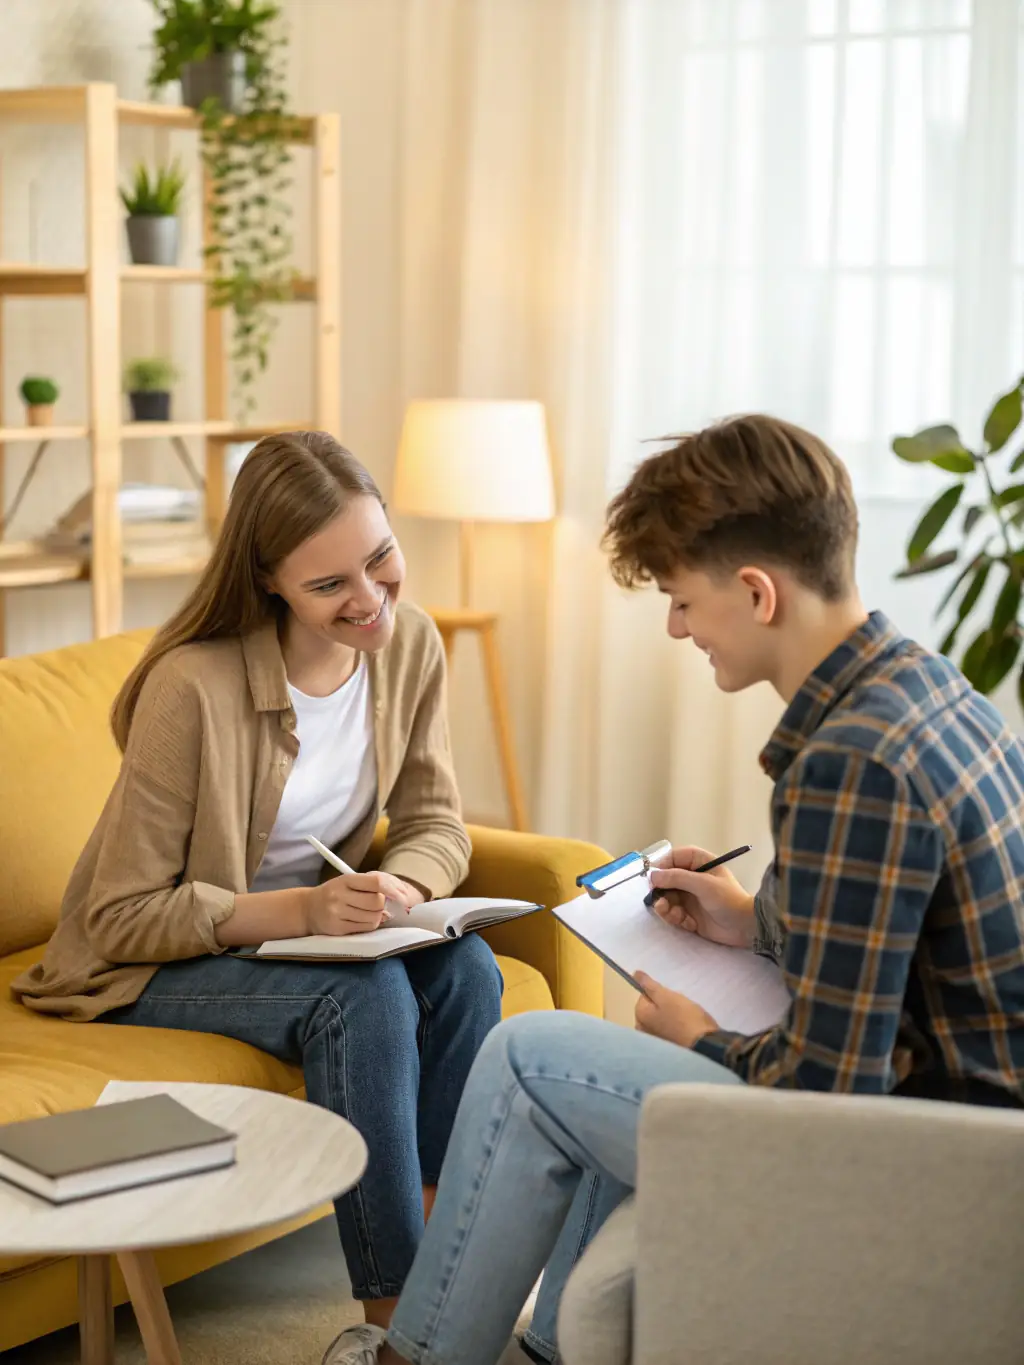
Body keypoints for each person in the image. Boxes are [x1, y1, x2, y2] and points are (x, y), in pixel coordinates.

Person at [338, 413, 1024, 1365]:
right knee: (598, 1067)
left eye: (682, 600)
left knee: (529, 1057)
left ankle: (412, 1358)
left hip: (932, 1167)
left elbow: (829, 1088)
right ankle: (548, 1350)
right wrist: (753, 921)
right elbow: (895, 941)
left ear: (757, 591)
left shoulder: (851, 762)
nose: (676, 627)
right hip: (978, 1132)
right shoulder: (929, 688)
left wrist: (702, 1040)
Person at [12, 431, 503, 1345]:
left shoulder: (411, 645)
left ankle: (438, 1269)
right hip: (149, 961)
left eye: (381, 557)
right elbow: (120, 916)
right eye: (330, 584)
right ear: (269, 580)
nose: (370, 598)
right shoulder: (191, 687)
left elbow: (438, 821)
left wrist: (401, 886)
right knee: (365, 996)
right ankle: (397, 1326)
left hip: (307, 939)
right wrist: (303, 910)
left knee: (469, 971)